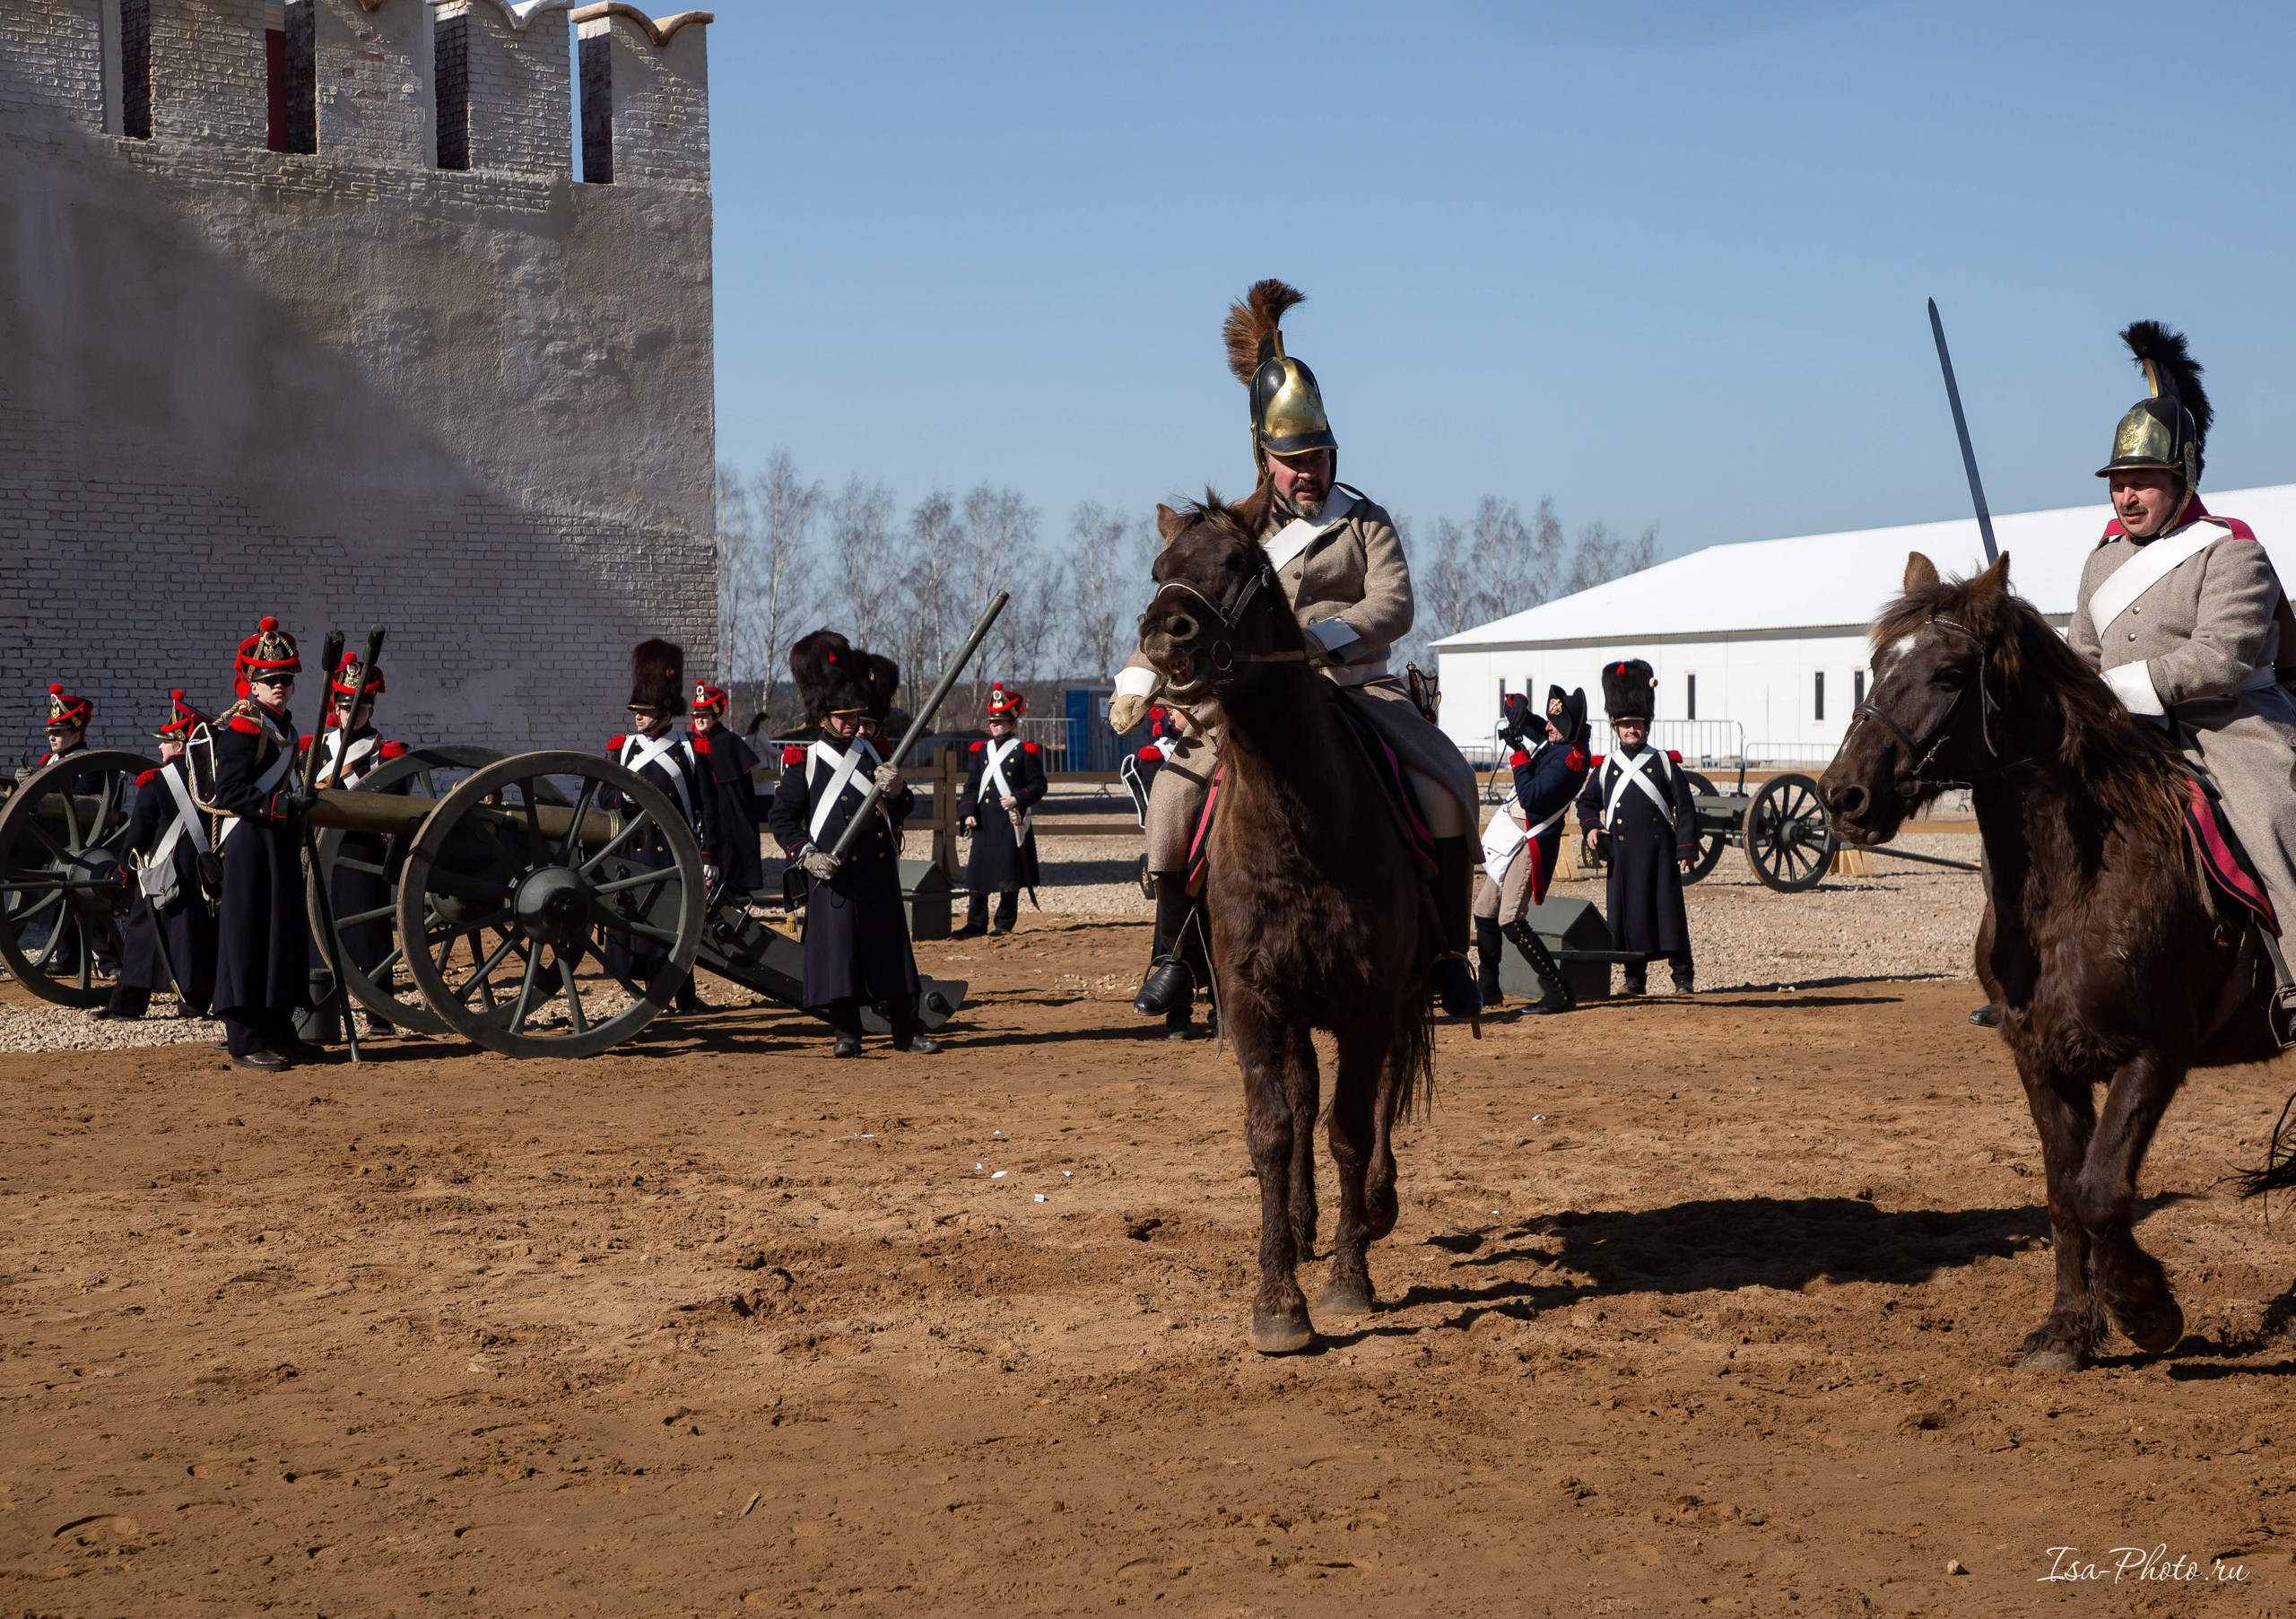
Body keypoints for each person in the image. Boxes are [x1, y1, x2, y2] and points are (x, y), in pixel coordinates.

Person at [1109, 280, 1484, 1020]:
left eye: (1319, 455)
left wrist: (1320, 637)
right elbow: (1185, 607)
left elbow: (1393, 604)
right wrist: (1141, 673)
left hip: (1358, 689)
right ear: (1266, 459)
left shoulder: (1365, 520)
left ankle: (1448, 954)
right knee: (1174, 800)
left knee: (1447, 790)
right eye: (1294, 458)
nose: (1310, 471)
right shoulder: (1232, 532)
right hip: (1253, 701)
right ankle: (1173, 955)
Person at [2067, 320, 2296, 1044]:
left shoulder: (2233, 552)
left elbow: (2221, 659)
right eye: (2119, 483)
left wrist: (2118, 689)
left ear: (2184, 479)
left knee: (2270, 813)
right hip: (2123, 733)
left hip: (2227, 726)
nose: (2126, 497)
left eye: (2142, 482)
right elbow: (2081, 654)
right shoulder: (2101, 562)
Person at [766, 629, 936, 1058]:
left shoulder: (874, 754)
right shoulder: (804, 761)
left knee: (891, 954)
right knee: (839, 957)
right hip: (834, 874)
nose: (850, 723)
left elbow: (902, 808)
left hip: (876, 872)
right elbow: (782, 819)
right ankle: (847, 1032)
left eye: (854, 715)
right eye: (842, 716)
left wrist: (897, 791)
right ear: (822, 716)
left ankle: (906, 1030)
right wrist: (806, 855)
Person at [199, 616, 319, 1070]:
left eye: (285, 679)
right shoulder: (245, 727)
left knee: (280, 935)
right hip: (249, 841)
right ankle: (246, 1038)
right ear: (252, 684)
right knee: (248, 936)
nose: (279, 686)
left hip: (276, 841)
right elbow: (229, 792)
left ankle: (279, 1028)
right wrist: (282, 806)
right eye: (269, 680)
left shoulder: (284, 728)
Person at [298, 651, 409, 1040]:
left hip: (361, 852)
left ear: (371, 708)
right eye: (346, 707)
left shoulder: (386, 752)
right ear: (336, 707)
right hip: (319, 850)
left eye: (359, 707)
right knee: (316, 935)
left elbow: (393, 802)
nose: (352, 714)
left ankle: (379, 1017)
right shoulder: (315, 748)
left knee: (369, 937)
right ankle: (318, 1017)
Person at [604, 640, 717, 1014]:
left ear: (665, 710)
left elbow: (708, 808)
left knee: (677, 925)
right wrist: (624, 798)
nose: (638, 717)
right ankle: (650, 997)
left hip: (672, 853)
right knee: (640, 925)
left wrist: (709, 855)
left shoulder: (690, 749)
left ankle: (683, 994)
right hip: (634, 851)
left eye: (645, 710)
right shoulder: (622, 749)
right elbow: (604, 796)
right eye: (635, 710)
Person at [1576, 659, 1699, 996]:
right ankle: (1634, 979)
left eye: (1638, 724)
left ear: (1647, 726)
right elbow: (1586, 803)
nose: (1632, 730)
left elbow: (1686, 808)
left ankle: (1683, 978)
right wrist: (1591, 827)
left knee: (1669, 916)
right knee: (1629, 918)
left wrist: (1686, 848)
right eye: (1626, 725)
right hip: (1623, 855)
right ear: (1616, 727)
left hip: (1660, 855)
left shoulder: (1663, 762)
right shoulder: (1605, 767)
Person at [100, 690, 218, 1022]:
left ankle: (127, 1004)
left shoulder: (156, 780)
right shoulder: (213, 779)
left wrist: (123, 871)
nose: (160, 748)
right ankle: (193, 1003)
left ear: (180, 744)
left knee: (143, 936)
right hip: (201, 871)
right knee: (192, 936)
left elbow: (138, 833)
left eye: (165, 741)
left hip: (165, 871)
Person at [1477, 686, 1592, 1014]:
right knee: (1483, 909)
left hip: (1531, 842)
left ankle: (1558, 991)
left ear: (1569, 728)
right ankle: (1488, 989)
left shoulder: (1571, 761)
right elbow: (1525, 718)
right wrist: (1518, 706)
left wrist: (1518, 754)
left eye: (1556, 723)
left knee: (1511, 918)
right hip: (1513, 836)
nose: (1548, 726)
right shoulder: (1556, 738)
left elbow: (1529, 797)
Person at [952, 683, 1046, 938]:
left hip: (1009, 820)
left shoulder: (1025, 751)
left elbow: (1039, 785)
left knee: (1008, 873)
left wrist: (1017, 798)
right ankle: (975, 922)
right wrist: (968, 812)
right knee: (978, 873)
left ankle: (1004, 923)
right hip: (984, 819)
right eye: (992, 721)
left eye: (1000, 721)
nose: (994, 725)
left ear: (1012, 723)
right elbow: (972, 786)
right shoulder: (981, 750)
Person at [691, 680, 766, 903]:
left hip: (725, 816)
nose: (699, 720)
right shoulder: (687, 741)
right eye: (696, 715)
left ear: (716, 716)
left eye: (705, 715)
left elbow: (741, 796)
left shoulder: (730, 741)